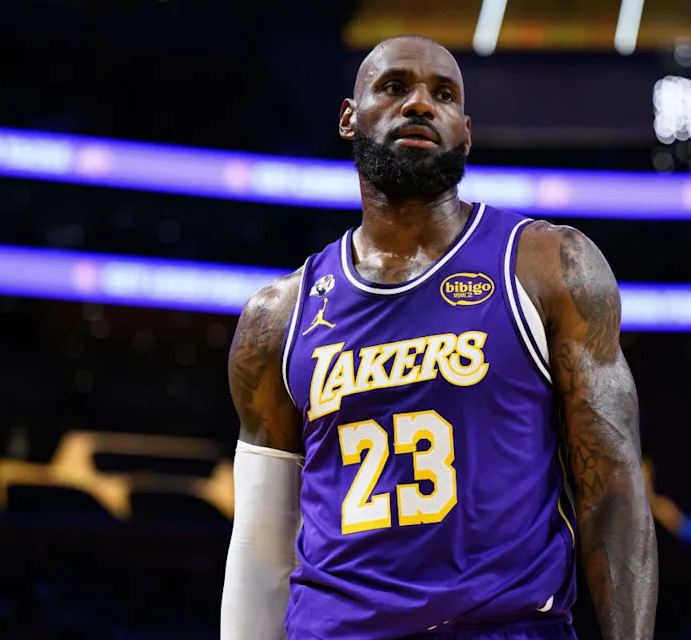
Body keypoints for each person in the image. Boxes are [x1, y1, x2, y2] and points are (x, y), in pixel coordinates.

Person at [221, 35, 658, 640]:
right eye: (395, 87)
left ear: (466, 130)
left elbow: (611, 492)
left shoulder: (546, 265)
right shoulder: (278, 316)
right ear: (350, 118)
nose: (421, 104)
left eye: (443, 95)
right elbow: (261, 544)